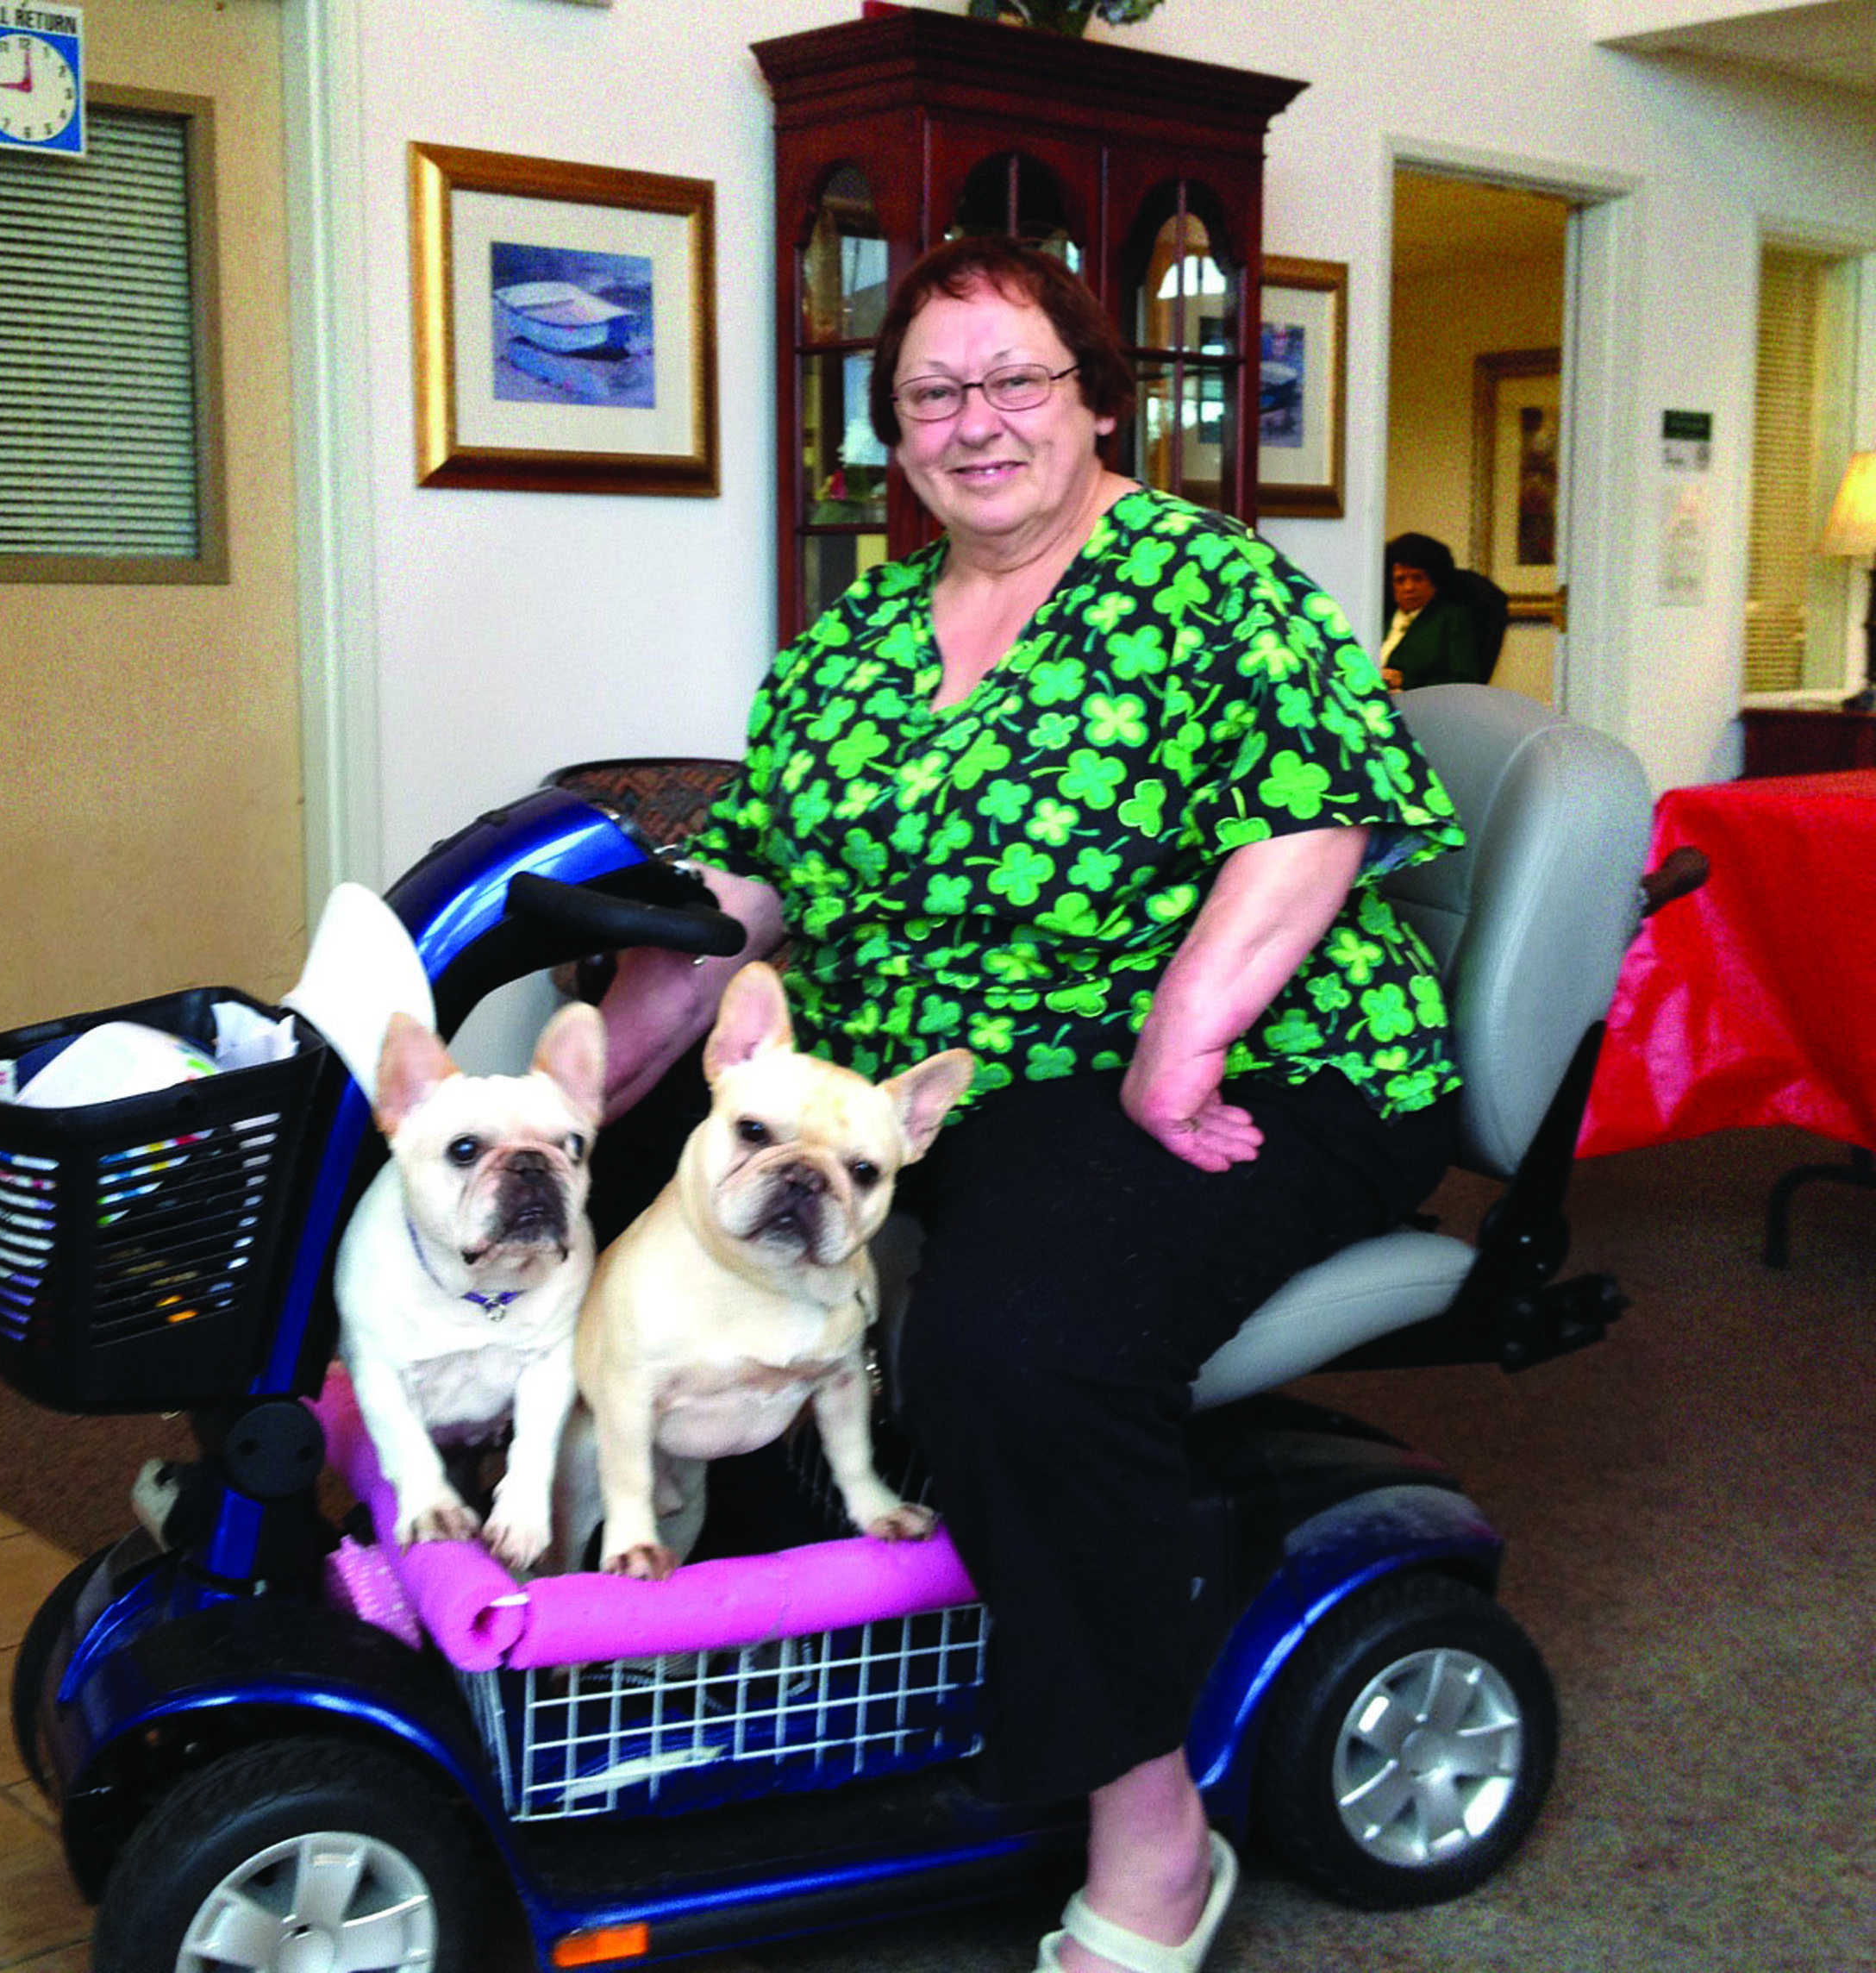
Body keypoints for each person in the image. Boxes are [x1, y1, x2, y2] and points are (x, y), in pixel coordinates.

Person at [591, 236, 1465, 1973]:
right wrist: (603, 1080)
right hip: (912, 1082)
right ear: (894, 429)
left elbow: (1322, 815)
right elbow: (752, 883)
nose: (976, 421)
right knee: (599, 1196)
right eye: (934, 391)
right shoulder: (852, 637)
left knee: (1013, 1348)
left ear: (1096, 398)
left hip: (1243, 1064)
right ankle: (684, 1638)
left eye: (1016, 379)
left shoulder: (1209, 583)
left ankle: (1154, 1833)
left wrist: (1179, 1040)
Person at [1379, 531, 1491, 691]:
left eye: (1417, 578)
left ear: (1435, 580)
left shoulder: (1452, 619)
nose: (1408, 587)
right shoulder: (1379, 617)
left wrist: (1406, 681)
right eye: (1400, 580)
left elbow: (1464, 680)